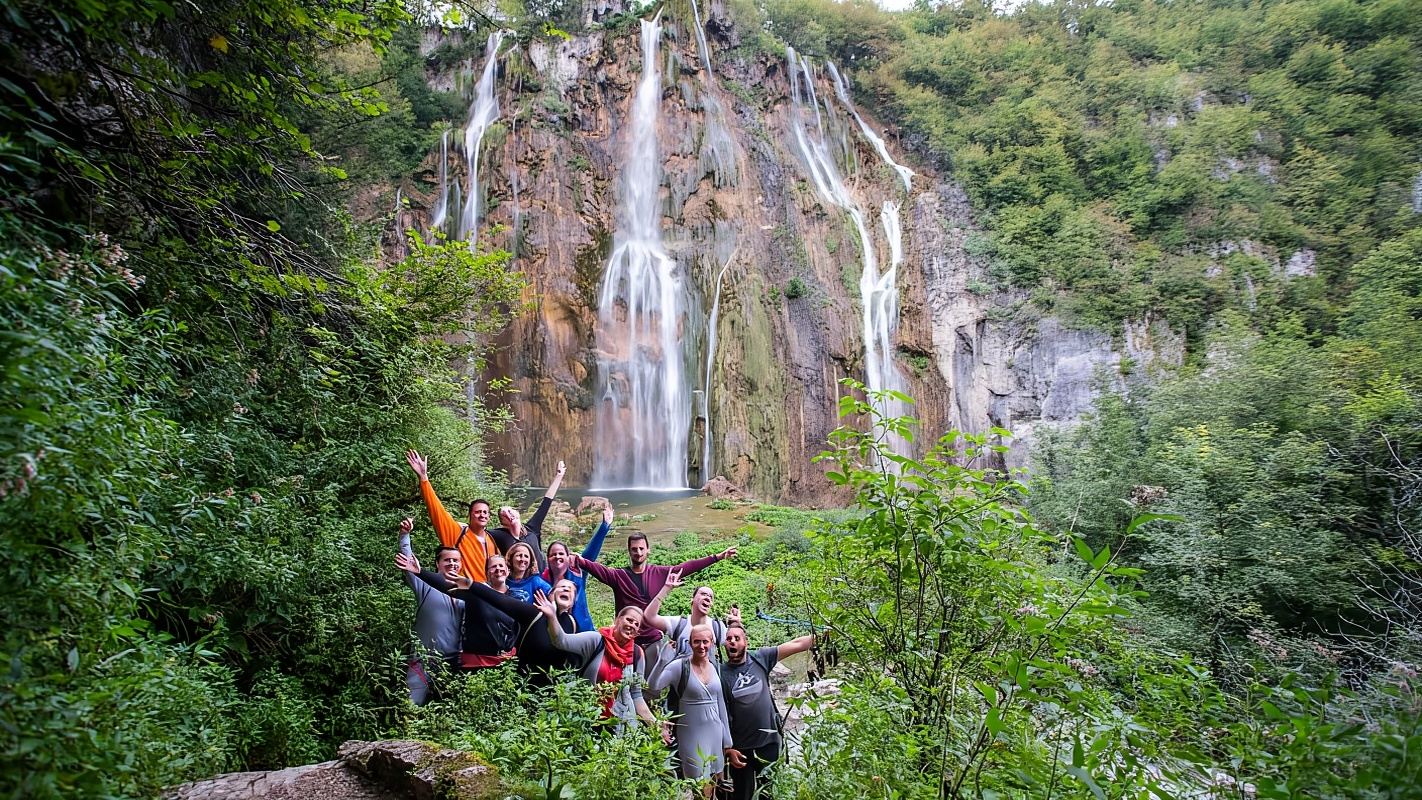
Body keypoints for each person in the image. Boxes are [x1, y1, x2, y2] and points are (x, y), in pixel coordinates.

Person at [579, 534, 737, 683]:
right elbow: (597, 569)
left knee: (651, 686)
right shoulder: (619, 576)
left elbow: (686, 568)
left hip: (653, 642)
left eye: (641, 548)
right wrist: (578, 560)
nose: (638, 553)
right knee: (622, 684)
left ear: (648, 550)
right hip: (626, 642)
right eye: (634, 549)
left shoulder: (659, 573)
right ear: (629, 551)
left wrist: (717, 557)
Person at [719, 623, 817, 800]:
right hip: (740, 749)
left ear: (746, 643)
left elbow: (795, 644)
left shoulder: (760, 658)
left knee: (769, 792)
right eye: (728, 639)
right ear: (724, 644)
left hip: (769, 743)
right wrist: (728, 749)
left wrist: (823, 637)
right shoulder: (719, 673)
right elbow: (718, 714)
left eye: (736, 638)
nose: (732, 642)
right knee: (742, 795)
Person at [532, 592, 657, 729]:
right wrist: (551, 616)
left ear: (638, 632)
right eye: (629, 620)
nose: (632, 625)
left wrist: (655, 725)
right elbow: (561, 641)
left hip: (619, 724)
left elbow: (636, 694)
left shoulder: (637, 655)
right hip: (586, 716)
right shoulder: (596, 641)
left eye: (636, 624)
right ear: (617, 620)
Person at [652, 624, 734, 795]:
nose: (701, 646)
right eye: (697, 642)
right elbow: (653, 687)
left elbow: (721, 705)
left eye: (705, 641)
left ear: (711, 643)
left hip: (715, 733)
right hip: (691, 735)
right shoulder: (679, 666)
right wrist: (663, 659)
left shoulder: (715, 666)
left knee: (713, 785)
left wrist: (727, 742)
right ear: (689, 643)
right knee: (697, 784)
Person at [395, 517, 464, 705]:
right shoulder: (425, 585)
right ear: (437, 564)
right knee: (411, 705)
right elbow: (409, 564)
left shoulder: (467, 592)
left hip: (453, 660)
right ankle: (404, 734)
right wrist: (404, 535)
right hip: (422, 659)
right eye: (447, 560)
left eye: (456, 561)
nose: (452, 564)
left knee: (449, 708)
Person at [405, 449, 499, 583]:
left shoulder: (492, 541)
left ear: (489, 517)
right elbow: (437, 511)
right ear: (470, 515)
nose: (482, 515)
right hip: (463, 592)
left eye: (485, 512)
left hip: (487, 594)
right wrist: (424, 479)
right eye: (478, 512)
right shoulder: (456, 533)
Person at [642, 567, 741, 668]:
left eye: (711, 597)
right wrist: (666, 588)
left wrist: (737, 624)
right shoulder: (679, 623)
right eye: (703, 594)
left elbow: (738, 648)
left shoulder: (718, 627)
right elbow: (649, 617)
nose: (707, 597)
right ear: (692, 600)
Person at [542, 505, 614, 634]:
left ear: (568, 557)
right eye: (553, 554)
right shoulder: (543, 581)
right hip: (554, 634)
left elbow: (590, 554)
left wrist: (604, 526)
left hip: (583, 631)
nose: (557, 557)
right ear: (547, 559)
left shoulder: (577, 572)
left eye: (561, 554)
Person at [490, 460, 567, 572]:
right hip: (520, 583)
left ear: (517, 513)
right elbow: (475, 530)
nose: (509, 514)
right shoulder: (500, 535)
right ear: (503, 523)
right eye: (504, 514)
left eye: (510, 510)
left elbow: (546, 501)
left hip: (542, 580)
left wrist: (559, 476)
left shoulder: (532, 528)